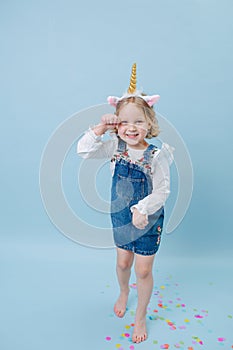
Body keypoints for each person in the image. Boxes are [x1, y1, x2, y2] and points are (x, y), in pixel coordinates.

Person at [77, 63, 174, 344]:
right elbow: (83, 150)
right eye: (125, 122)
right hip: (120, 216)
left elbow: (163, 190)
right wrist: (101, 127)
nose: (132, 128)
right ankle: (123, 291)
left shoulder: (156, 155)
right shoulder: (114, 147)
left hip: (148, 219)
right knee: (123, 263)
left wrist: (143, 208)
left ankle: (140, 315)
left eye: (139, 122)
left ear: (149, 124)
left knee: (143, 269)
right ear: (117, 124)